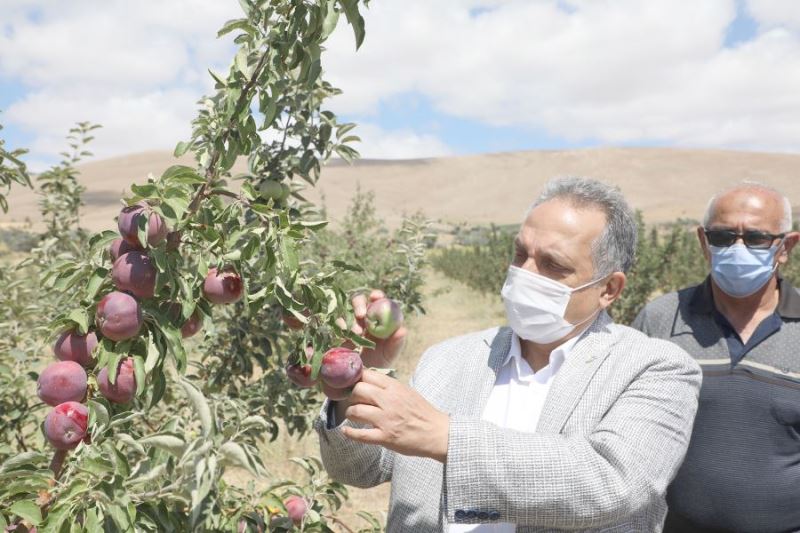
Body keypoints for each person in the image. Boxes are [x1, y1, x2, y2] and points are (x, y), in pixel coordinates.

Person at [316, 177, 702, 532]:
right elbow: (359, 469)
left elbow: (612, 482)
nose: (525, 274)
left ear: (609, 289)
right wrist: (356, 381)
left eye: (553, 265)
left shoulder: (655, 370)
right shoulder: (446, 360)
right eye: (521, 254)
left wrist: (448, 438)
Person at [632, 182, 800, 533]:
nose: (738, 248)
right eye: (723, 237)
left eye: (756, 238)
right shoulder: (660, 320)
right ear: (703, 243)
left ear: (786, 247)